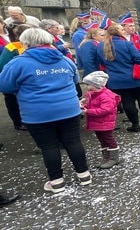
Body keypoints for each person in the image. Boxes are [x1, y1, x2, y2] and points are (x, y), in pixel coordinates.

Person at [0, 28, 93, 192]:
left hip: (37, 113)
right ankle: (84, 174)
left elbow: (5, 85)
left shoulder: (19, 63)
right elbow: (75, 80)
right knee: (73, 141)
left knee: (49, 146)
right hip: (68, 109)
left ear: (26, 43)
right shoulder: (64, 60)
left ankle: (57, 182)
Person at [97, 24, 140, 132]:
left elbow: (102, 62)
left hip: (115, 80)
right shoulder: (126, 44)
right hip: (134, 78)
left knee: (126, 102)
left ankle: (135, 125)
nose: (123, 31)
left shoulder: (101, 46)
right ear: (117, 32)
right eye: (121, 29)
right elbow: (138, 59)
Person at [80, 71, 122, 169]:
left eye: (88, 84)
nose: (86, 86)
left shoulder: (106, 96)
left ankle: (114, 158)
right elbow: (91, 104)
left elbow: (105, 110)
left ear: (96, 84)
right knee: (102, 139)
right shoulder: (92, 94)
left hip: (105, 122)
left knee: (108, 139)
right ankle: (106, 157)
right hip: (97, 123)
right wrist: (84, 105)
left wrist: (88, 111)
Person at [0, 23, 34, 131]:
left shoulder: (37, 45)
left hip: (28, 81)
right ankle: (18, 122)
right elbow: (3, 66)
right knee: (12, 101)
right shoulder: (12, 47)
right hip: (15, 81)